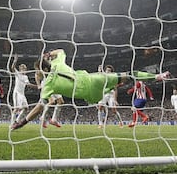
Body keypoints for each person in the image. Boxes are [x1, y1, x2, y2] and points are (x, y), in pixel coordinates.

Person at [11, 49, 171, 131]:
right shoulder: (57, 62)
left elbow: (39, 107)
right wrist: (48, 54)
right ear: (48, 62)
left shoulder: (48, 85)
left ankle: (111, 94)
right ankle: (157, 76)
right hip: (94, 79)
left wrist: (22, 122)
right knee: (128, 75)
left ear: (41, 71)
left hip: (90, 95)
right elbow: (61, 51)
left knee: (100, 103)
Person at [34, 61, 64, 128]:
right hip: (46, 84)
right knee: (51, 102)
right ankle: (42, 118)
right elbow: (36, 74)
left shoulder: (53, 64)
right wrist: (38, 84)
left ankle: (53, 119)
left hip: (53, 84)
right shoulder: (43, 65)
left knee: (61, 101)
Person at [10, 55, 37, 126]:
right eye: (23, 69)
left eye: (25, 69)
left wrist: (37, 86)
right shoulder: (17, 74)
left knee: (26, 108)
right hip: (16, 93)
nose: (24, 70)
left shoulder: (25, 77)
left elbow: (28, 84)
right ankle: (12, 123)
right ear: (20, 69)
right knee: (16, 109)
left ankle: (16, 121)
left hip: (22, 94)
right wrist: (15, 60)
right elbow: (12, 68)